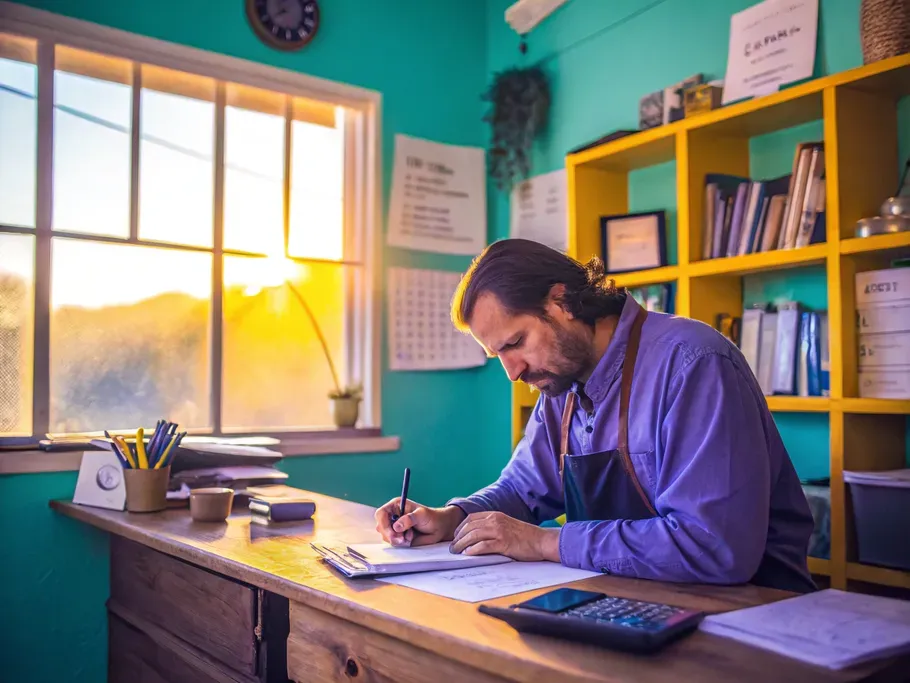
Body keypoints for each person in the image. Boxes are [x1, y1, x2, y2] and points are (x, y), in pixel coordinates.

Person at [375, 238, 817, 592]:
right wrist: (454, 518)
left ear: (560, 302)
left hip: (750, 610)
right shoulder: (561, 383)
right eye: (498, 356)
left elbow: (714, 548)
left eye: (514, 344)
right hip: (635, 596)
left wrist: (547, 542)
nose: (513, 373)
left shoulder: (692, 363)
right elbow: (523, 489)